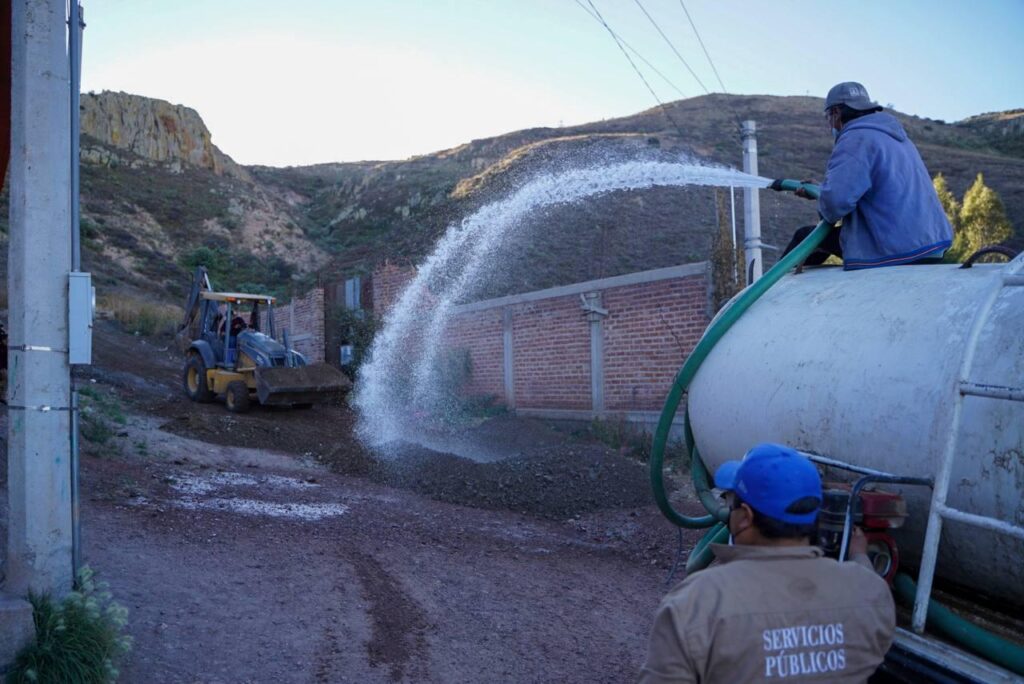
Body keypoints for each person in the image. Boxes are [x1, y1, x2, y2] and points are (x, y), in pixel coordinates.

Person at [639, 443, 895, 683]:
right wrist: (860, 555)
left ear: (744, 518)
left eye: (732, 502)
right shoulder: (869, 592)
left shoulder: (694, 603)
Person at [781, 82, 953, 270]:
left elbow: (835, 205)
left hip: (896, 248)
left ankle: (768, 297)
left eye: (827, 117)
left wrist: (824, 196)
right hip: (932, 243)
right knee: (819, 242)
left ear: (836, 113)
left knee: (804, 238)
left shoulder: (855, 138)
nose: (829, 124)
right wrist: (823, 190)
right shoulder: (895, 137)